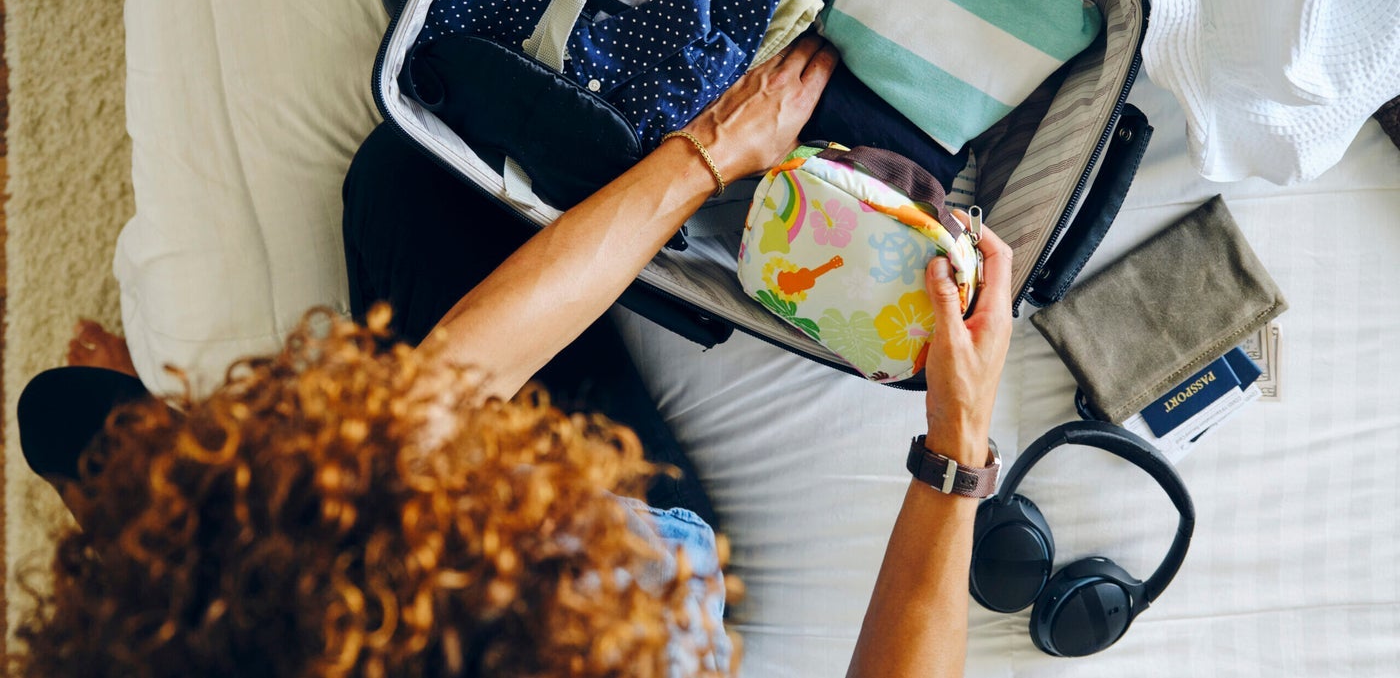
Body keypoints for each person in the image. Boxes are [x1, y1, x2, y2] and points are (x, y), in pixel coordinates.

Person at [15, 36, 1013, 677]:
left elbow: (442, 390)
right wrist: (955, 453)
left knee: (61, 416)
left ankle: (242, 518)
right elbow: (445, 395)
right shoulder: (587, 626)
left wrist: (710, 153)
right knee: (404, 189)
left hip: (330, 585)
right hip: (607, 568)